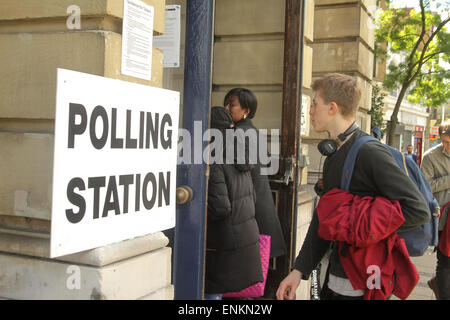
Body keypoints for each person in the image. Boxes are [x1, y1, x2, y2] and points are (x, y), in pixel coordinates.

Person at [276, 73, 430, 300]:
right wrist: (299, 271)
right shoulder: (334, 155)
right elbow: (323, 221)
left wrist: (361, 224)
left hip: (361, 284)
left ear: (332, 107)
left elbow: (418, 209)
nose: (310, 111)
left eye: (315, 104)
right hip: (334, 278)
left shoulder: (370, 153)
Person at [204, 106, 263, 300]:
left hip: (223, 241)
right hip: (243, 235)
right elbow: (251, 197)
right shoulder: (237, 152)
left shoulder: (213, 158)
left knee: (211, 292)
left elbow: (219, 208)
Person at [223, 88, 287, 259]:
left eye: (232, 105)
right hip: (260, 202)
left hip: (248, 206)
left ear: (246, 110)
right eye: (226, 104)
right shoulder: (253, 131)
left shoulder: (236, 133)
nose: (227, 108)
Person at [421, 120, 450, 300]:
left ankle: (438, 283)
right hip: (443, 219)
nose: (447, 146)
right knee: (445, 261)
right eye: (445, 142)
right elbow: (425, 186)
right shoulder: (430, 157)